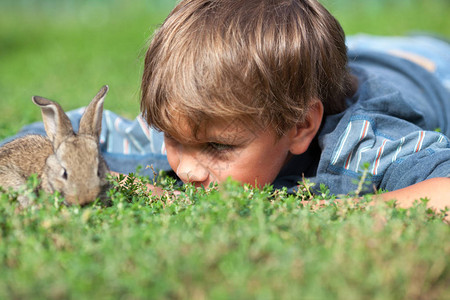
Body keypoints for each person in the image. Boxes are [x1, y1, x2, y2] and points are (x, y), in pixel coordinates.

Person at [4, 0, 450, 211]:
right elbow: (44, 145)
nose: (189, 170)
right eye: (172, 138)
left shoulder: (359, 140)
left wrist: (320, 211)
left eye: (218, 147)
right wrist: (115, 182)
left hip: (427, 66)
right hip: (350, 58)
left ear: (300, 127)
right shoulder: (179, 129)